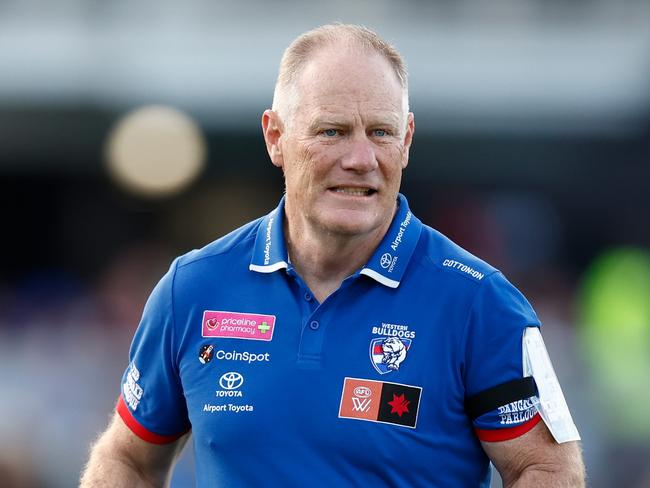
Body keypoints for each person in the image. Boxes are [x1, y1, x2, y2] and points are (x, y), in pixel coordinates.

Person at [80, 24, 585, 487]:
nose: (361, 160)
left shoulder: (480, 302)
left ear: (406, 141)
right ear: (276, 137)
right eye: (333, 131)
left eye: (381, 133)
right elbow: (126, 459)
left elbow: (546, 468)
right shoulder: (192, 288)